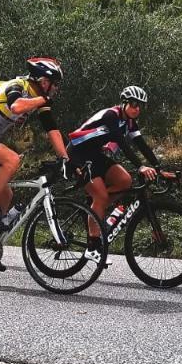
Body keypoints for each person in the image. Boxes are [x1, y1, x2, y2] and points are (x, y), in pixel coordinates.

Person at [0, 57, 68, 228]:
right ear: (44, 81)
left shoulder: (37, 99)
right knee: (12, 159)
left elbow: (52, 129)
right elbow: (16, 106)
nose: (56, 89)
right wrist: (43, 99)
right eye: (55, 84)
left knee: (6, 195)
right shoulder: (17, 85)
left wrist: (65, 158)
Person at [66, 85, 161, 259]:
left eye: (140, 105)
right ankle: (92, 247)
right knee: (101, 197)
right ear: (124, 103)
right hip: (78, 154)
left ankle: (93, 209)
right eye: (133, 104)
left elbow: (141, 144)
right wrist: (141, 166)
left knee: (124, 180)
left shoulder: (130, 123)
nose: (136, 108)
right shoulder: (111, 115)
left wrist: (158, 167)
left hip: (95, 154)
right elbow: (122, 144)